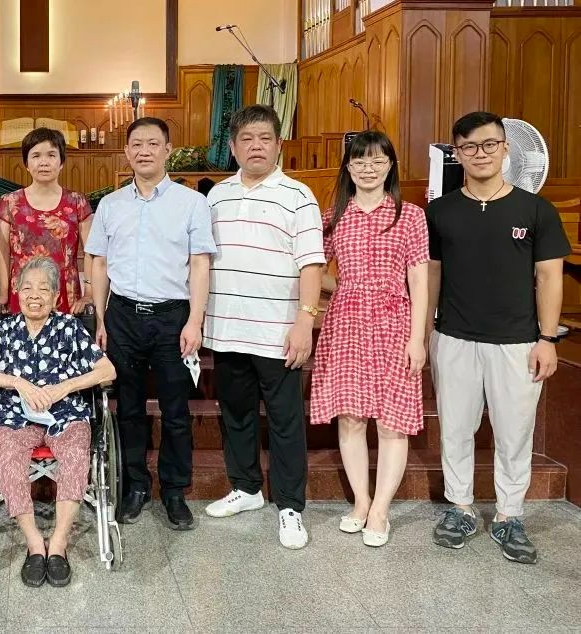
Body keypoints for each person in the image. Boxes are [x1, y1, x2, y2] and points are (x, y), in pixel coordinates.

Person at [427, 111, 570, 564]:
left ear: (507, 148)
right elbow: (431, 273)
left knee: (514, 433)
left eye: (489, 144)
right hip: (453, 336)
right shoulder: (441, 210)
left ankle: (509, 515)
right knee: (455, 427)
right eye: (469, 147)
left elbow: (549, 277)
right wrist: (426, 329)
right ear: (457, 154)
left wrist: (547, 338)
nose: (480, 153)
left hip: (517, 342)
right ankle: (461, 508)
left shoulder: (535, 209)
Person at [202, 105, 324, 550]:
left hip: (278, 331)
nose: (256, 146)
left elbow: (311, 263)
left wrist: (304, 322)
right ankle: (247, 489)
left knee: (286, 421)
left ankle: (291, 506)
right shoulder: (215, 197)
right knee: (235, 415)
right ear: (232, 147)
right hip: (228, 328)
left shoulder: (298, 196)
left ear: (278, 145)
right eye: (247, 138)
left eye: (265, 138)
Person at [85, 116, 216, 530]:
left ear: (167, 150)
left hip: (172, 318)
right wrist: (101, 318)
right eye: (136, 144)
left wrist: (195, 321)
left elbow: (199, 264)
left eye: (153, 143)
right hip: (122, 316)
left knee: (176, 409)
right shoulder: (111, 204)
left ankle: (175, 491)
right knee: (128, 408)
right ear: (126, 152)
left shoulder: (191, 203)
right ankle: (135, 486)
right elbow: (99, 263)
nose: (144, 150)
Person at [309, 131, 429, 547]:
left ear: (391, 166)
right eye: (359, 161)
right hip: (346, 321)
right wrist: (343, 288)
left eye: (377, 161)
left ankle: (381, 509)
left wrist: (419, 338)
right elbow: (311, 268)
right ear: (348, 167)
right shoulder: (335, 215)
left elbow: (419, 278)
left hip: (396, 320)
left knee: (392, 420)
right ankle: (361, 502)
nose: (368, 168)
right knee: (351, 416)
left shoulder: (409, 215)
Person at [0, 256, 116, 588]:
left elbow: (107, 370)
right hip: (17, 417)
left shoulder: (69, 327)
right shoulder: (6, 329)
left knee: (78, 455)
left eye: (44, 289)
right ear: (17, 292)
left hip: (66, 415)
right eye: (28, 288)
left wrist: (63, 387)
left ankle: (59, 545)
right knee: (6, 456)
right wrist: (19, 383)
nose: (35, 295)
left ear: (55, 297)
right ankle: (35, 543)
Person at [0, 128, 94, 314]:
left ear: (61, 162)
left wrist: (89, 293)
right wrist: (3, 293)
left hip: (65, 291)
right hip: (23, 291)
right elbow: (3, 252)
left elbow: (91, 252)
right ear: (26, 163)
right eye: (36, 155)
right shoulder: (10, 202)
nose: (44, 162)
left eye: (51, 155)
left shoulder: (77, 202)